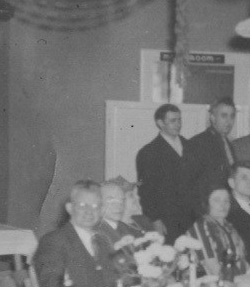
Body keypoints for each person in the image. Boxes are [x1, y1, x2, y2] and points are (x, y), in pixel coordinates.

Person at [34, 181, 119, 287]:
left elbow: (114, 282)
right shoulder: (54, 241)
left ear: (101, 211)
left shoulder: (103, 241)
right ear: (70, 208)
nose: (89, 211)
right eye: (82, 205)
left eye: (95, 206)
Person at [136, 103, 198, 240]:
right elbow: (146, 192)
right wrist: (155, 220)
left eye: (179, 120)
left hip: (192, 217)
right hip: (167, 219)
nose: (178, 124)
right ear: (160, 123)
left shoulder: (191, 147)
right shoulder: (149, 152)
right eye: (172, 120)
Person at [185, 185, 248, 277]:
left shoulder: (229, 228)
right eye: (217, 200)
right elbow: (213, 270)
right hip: (207, 283)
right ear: (206, 203)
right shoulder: (200, 227)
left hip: (233, 281)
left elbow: (242, 263)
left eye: (226, 201)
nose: (223, 205)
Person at [188, 97, 238, 193]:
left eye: (232, 116)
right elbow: (191, 183)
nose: (229, 121)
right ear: (212, 118)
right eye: (224, 116)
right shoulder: (198, 143)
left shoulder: (230, 144)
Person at [96, 179, 149, 244]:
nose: (118, 205)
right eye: (111, 200)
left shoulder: (124, 228)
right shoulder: (93, 232)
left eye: (121, 200)